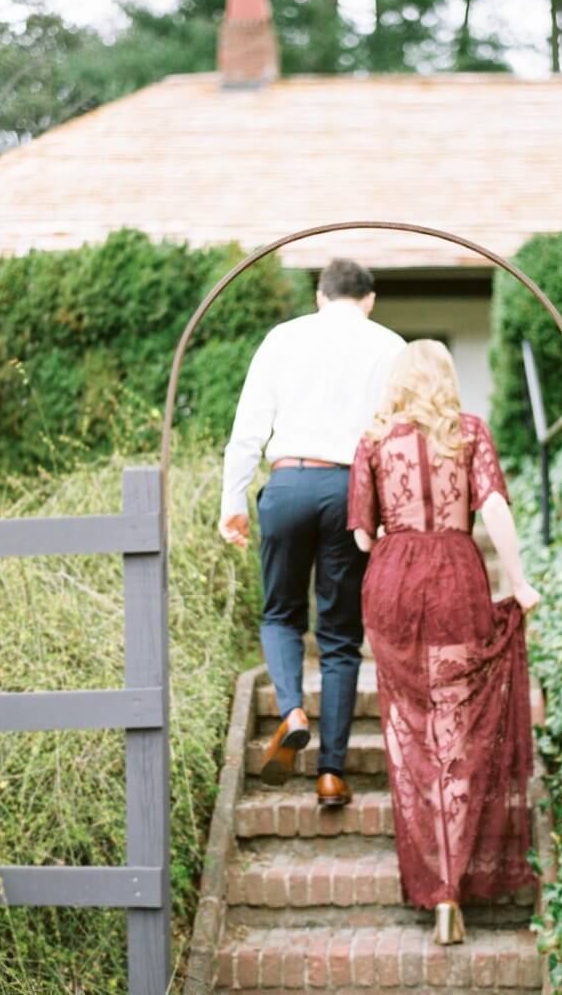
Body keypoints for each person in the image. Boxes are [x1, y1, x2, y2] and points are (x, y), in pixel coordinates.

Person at [347, 339, 541, 945]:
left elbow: (359, 536)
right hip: (456, 577)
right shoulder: (470, 431)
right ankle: (451, 892)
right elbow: (497, 511)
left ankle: (431, 880)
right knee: (455, 733)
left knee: (412, 733)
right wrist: (518, 581)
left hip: (394, 585)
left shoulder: (374, 440)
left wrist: (397, 537)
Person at [219, 258, 405, 806]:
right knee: (341, 638)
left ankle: (292, 709)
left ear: (320, 296)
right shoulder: (389, 344)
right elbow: (395, 436)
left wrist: (233, 502)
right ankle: (331, 773)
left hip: (289, 482)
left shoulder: (283, 337)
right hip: (350, 491)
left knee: (280, 614)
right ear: (369, 300)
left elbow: (248, 426)